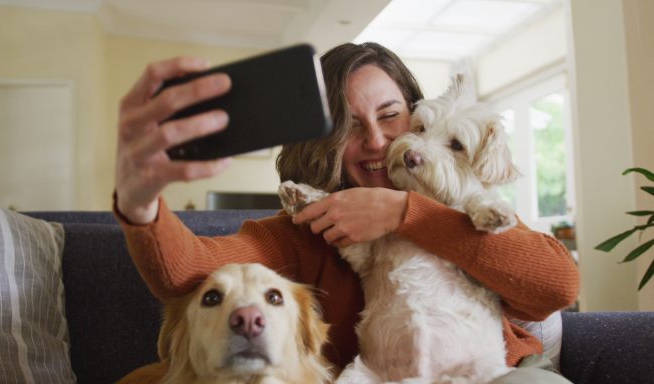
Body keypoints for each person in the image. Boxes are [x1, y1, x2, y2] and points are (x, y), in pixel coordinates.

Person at [114, 42, 579, 382]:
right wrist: (140, 202)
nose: (377, 141)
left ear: (415, 118)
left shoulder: (467, 207)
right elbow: (184, 273)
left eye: (390, 115)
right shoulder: (302, 229)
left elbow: (557, 285)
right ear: (323, 140)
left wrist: (406, 213)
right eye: (350, 126)